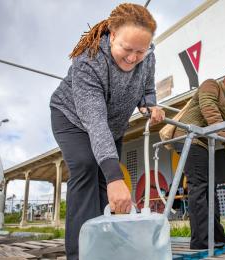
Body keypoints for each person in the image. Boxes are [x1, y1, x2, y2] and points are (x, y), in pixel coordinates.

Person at [49, 3, 164, 259]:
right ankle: (79, 253)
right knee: (88, 166)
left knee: (106, 184)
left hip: (113, 125)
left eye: (140, 51)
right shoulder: (88, 61)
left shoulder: (149, 56)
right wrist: (115, 177)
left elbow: (146, 89)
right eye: (126, 49)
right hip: (72, 118)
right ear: (112, 35)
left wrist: (149, 105)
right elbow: (95, 120)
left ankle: (104, 247)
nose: (133, 58)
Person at [173, 69, 225, 249]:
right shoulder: (211, 84)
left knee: (210, 188)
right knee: (199, 186)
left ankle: (217, 235)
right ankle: (201, 240)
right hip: (188, 138)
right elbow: (210, 110)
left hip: (202, 143)